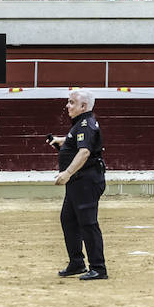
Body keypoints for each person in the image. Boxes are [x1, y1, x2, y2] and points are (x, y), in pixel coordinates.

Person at [47, 89, 109, 281]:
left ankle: (98, 268)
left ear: (83, 106)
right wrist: (61, 141)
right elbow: (76, 141)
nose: (67, 105)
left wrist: (66, 173)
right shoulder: (82, 124)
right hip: (78, 183)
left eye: (71, 102)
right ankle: (77, 263)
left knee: (88, 223)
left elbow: (84, 153)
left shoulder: (86, 124)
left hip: (85, 181)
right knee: (69, 220)